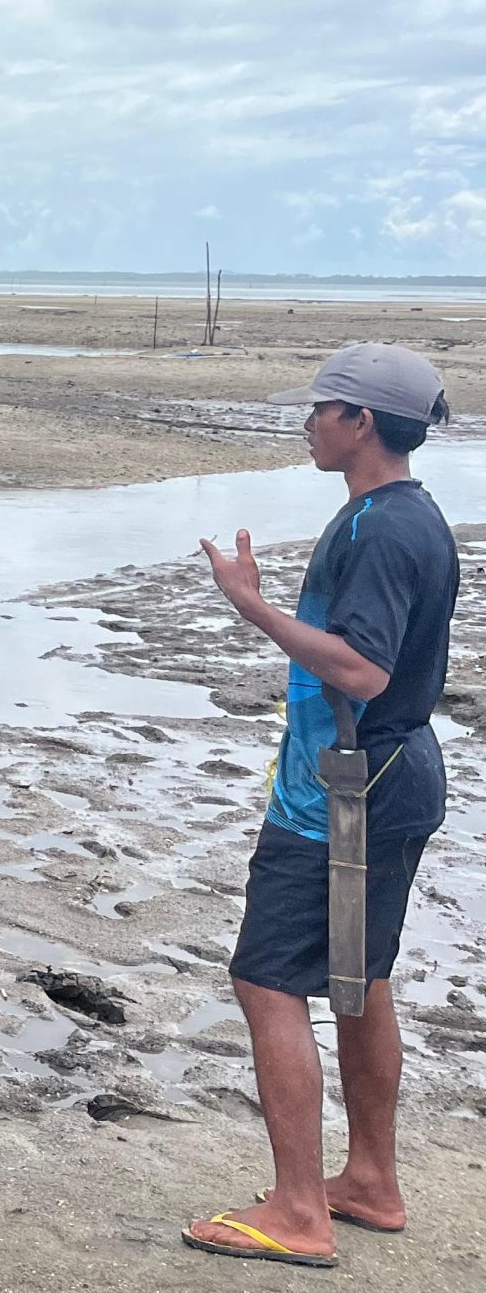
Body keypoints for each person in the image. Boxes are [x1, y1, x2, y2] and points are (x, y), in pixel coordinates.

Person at [183, 343, 457, 1269]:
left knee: (267, 981)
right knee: (359, 979)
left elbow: (363, 669)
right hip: (386, 775)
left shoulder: (383, 527)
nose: (308, 421)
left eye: (321, 408)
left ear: (362, 423)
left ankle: (299, 1211)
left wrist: (248, 606)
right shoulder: (397, 513)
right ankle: (369, 1181)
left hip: (352, 789)